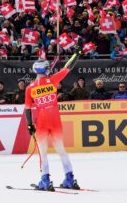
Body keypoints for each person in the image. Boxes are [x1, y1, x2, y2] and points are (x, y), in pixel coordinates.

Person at [24, 40, 83, 191]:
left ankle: (45, 181)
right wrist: (76, 54)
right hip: (56, 121)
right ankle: (69, 178)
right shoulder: (53, 80)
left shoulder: (30, 88)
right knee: (61, 150)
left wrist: (30, 125)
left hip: (42, 123)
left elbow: (28, 109)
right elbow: (68, 67)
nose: (50, 70)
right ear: (44, 70)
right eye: (48, 68)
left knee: (43, 153)